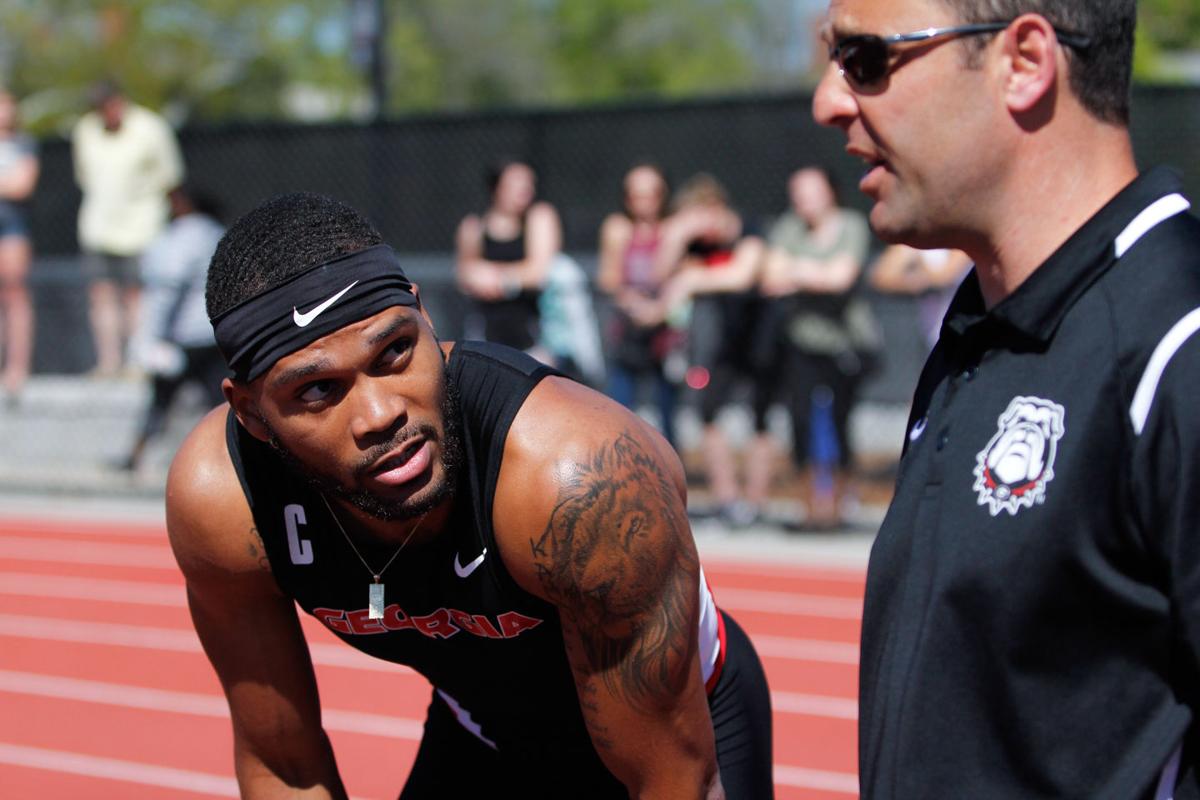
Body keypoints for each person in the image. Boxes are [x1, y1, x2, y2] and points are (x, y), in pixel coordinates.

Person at [166, 192, 773, 798]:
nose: (380, 415)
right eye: (319, 391)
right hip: (482, 732)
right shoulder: (224, 500)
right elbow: (284, 768)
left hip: (672, 733)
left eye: (395, 352)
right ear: (249, 413)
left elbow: (676, 783)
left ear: (425, 319)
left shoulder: (576, 477)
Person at [815, 0, 1200, 796]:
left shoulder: (1176, 339)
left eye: (866, 60)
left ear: (1024, 62)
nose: (829, 101)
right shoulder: (983, 325)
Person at [648, 174, 772, 528]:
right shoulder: (695, 244)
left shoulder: (749, 229)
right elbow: (659, 277)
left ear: (715, 209)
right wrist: (675, 237)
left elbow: (742, 275)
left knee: (759, 418)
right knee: (707, 414)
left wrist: (690, 279)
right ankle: (727, 499)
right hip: (718, 347)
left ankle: (756, 502)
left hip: (759, 338)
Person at [761, 166, 876, 529]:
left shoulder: (852, 225)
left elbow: (841, 278)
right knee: (800, 421)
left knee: (840, 421)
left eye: (810, 191)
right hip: (800, 341)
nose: (803, 200)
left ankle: (839, 506)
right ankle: (810, 506)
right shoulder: (788, 228)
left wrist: (797, 272)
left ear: (830, 191)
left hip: (845, 344)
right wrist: (818, 272)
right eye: (797, 192)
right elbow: (770, 277)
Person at [72, 80, 184, 377]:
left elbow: (170, 178)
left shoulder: (151, 128)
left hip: (142, 227)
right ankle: (108, 363)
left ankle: (138, 361)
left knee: (138, 296)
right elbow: (84, 175)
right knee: (101, 294)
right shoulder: (85, 130)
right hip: (98, 226)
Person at [120, 184, 226, 472]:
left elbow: (167, 287)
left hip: (183, 337)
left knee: (160, 401)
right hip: (214, 334)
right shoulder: (217, 233)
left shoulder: (182, 236)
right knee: (221, 402)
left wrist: (149, 338)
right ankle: (228, 456)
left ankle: (135, 455)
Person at [596, 162, 681, 449]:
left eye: (651, 194)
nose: (644, 202)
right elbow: (609, 278)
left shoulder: (674, 229)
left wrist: (658, 308)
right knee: (620, 407)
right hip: (629, 331)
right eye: (636, 195)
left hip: (666, 332)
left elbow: (674, 275)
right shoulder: (618, 228)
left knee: (669, 408)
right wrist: (633, 302)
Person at [455, 158, 561, 361]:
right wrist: (476, 278)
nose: (525, 189)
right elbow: (465, 274)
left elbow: (539, 272)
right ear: (496, 187)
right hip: (488, 335)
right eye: (516, 183)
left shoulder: (539, 217)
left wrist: (500, 279)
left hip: (535, 335)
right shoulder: (474, 226)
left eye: (529, 183)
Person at [0, 88, 38, 405]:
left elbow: (22, 186)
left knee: (15, 295)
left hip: (11, 227)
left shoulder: (24, 144)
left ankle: (16, 369)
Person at [869, 244, 972, 349]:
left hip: (965, 333)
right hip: (930, 334)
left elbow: (945, 276)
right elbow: (881, 276)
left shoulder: (967, 241)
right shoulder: (919, 242)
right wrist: (915, 281)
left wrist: (919, 268)